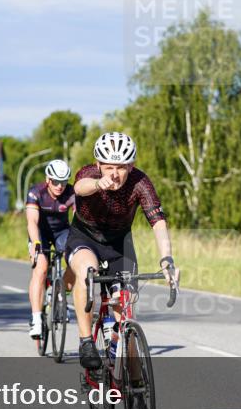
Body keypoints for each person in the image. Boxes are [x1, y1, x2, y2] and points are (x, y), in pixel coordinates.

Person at [65, 132, 178, 369]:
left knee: (126, 315)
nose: (114, 174)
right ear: (98, 165)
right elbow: (80, 187)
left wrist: (167, 259)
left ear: (131, 165)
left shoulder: (140, 182)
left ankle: (133, 384)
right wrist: (97, 184)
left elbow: (157, 220)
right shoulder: (89, 174)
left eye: (121, 168)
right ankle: (86, 341)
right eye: (108, 167)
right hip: (85, 237)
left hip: (119, 245)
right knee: (87, 271)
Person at [25, 159, 76, 338]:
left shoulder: (72, 192)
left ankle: (60, 294)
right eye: (55, 181)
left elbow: (79, 219)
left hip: (62, 232)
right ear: (48, 179)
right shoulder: (35, 192)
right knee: (41, 268)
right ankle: (36, 319)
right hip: (40, 233)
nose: (60, 186)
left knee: (77, 261)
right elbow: (32, 221)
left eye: (64, 182)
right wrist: (36, 243)